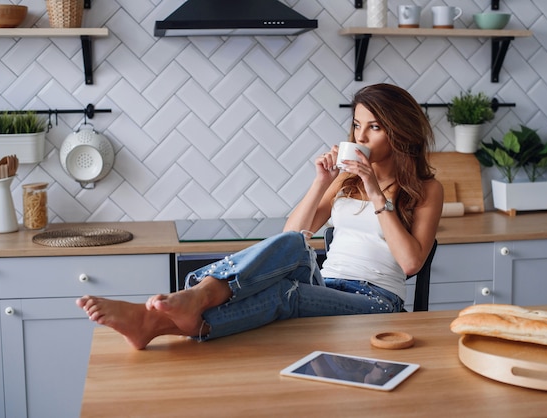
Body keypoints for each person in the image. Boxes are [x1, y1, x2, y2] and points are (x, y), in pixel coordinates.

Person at [76, 83, 444, 349]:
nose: (361, 135)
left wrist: (376, 191)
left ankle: (158, 323)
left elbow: (411, 262)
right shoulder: (346, 180)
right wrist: (322, 182)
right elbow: (295, 236)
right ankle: (199, 295)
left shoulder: (427, 190)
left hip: (377, 301)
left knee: (285, 293)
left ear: (399, 132)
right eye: (357, 125)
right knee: (289, 247)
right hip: (327, 283)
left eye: (374, 127)